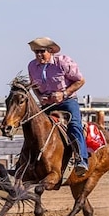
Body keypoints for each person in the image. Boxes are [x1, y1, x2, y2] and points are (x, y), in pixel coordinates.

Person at [26, 36, 89, 176]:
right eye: (36, 52)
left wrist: (64, 93)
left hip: (67, 102)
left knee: (74, 125)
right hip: (47, 104)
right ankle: (28, 162)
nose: (39, 55)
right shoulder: (32, 66)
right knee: (34, 128)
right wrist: (39, 97)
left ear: (50, 50)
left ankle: (81, 159)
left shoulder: (63, 62)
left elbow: (80, 81)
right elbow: (34, 86)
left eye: (42, 51)